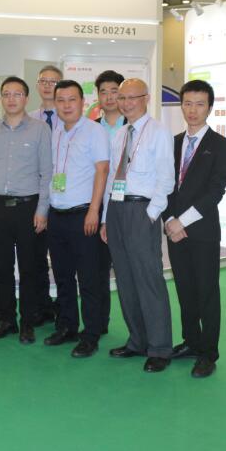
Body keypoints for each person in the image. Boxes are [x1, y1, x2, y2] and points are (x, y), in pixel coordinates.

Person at [100, 78, 175, 373]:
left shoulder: (159, 132)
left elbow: (166, 178)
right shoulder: (120, 134)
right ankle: (137, 341)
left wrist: (151, 214)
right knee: (125, 280)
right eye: (122, 98)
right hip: (117, 209)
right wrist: (106, 217)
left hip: (142, 210)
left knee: (148, 279)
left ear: (146, 98)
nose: (126, 103)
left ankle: (160, 347)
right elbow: (111, 178)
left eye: (133, 97)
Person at [163, 79, 226, 379]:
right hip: (174, 230)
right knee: (185, 289)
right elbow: (164, 185)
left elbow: (215, 191)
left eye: (199, 104)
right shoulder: (173, 142)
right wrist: (169, 220)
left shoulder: (221, 145)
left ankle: (208, 353)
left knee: (207, 293)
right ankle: (191, 341)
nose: (192, 110)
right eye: (188, 103)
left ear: (210, 107)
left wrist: (182, 221)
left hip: (201, 232)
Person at [0, 76, 52, 344]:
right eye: (6, 94)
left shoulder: (40, 129)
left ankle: (28, 322)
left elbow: (47, 172)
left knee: (29, 268)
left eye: (17, 94)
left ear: (26, 98)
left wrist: (42, 209)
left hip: (28, 207)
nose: (11, 99)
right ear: (1, 99)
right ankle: (7, 319)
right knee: (1, 267)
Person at [43, 80, 109, 358]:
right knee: (63, 276)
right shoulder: (55, 132)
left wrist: (94, 210)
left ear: (82, 102)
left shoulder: (95, 131)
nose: (66, 105)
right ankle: (67, 326)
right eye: (61, 100)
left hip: (84, 214)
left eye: (72, 99)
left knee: (89, 278)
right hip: (56, 214)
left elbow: (102, 171)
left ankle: (90, 334)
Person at [29, 64, 65, 325]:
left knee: (63, 258)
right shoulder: (29, 119)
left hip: (65, 197)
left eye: (53, 81)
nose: (48, 86)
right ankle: (41, 305)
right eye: (43, 81)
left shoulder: (69, 118)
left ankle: (64, 308)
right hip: (36, 196)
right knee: (36, 256)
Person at [95, 69, 127, 334]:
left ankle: (138, 329)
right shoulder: (92, 128)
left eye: (114, 91)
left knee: (129, 269)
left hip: (127, 207)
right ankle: (99, 322)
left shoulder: (134, 126)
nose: (108, 97)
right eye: (103, 92)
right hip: (97, 206)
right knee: (97, 269)